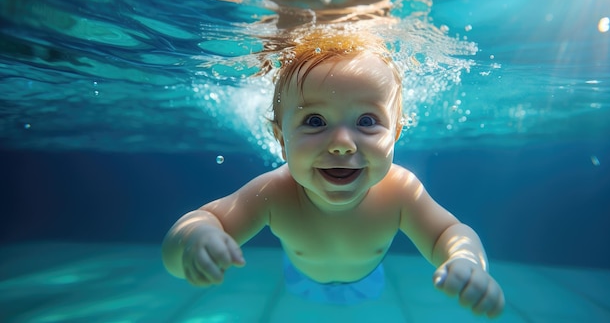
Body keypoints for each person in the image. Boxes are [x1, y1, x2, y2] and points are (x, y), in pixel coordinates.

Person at [162, 29, 505, 318]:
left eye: (367, 121)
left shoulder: (401, 191)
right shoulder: (273, 193)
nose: (342, 144)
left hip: (368, 280)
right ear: (282, 141)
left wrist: (466, 259)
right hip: (298, 277)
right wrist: (194, 241)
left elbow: (449, 232)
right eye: (315, 121)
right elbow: (199, 224)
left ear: (396, 135)